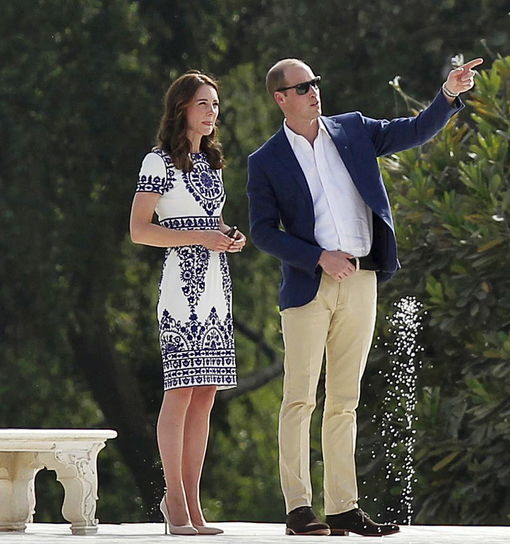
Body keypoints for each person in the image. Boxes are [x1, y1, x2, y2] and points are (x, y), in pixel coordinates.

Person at [247, 57, 481, 536]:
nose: (314, 91)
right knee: (299, 400)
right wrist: (317, 257)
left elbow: (414, 130)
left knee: (344, 400)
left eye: (315, 82)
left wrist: (449, 95)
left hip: (361, 280)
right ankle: (298, 509)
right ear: (281, 98)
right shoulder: (265, 160)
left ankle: (343, 508)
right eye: (302, 87)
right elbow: (263, 233)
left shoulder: (353, 129)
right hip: (309, 286)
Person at [130, 70, 246, 536]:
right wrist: (199, 236)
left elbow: (209, 220)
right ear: (181, 109)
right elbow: (140, 229)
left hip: (218, 290)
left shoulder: (213, 163)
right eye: (204, 104)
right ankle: (173, 502)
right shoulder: (157, 162)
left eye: (215, 105)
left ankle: (193, 506)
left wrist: (228, 237)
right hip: (181, 291)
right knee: (179, 394)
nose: (212, 112)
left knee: (205, 399)